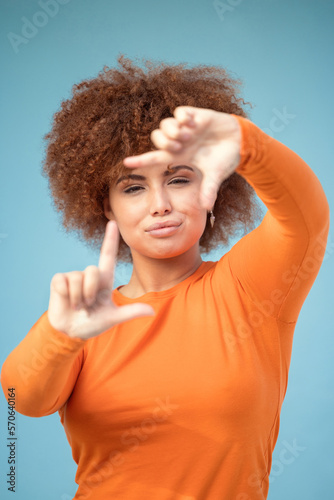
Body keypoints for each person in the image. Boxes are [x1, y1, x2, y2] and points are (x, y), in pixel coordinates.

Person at [1, 56, 330, 500]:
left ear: (213, 188)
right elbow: (22, 400)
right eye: (133, 187)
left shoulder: (250, 288)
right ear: (105, 206)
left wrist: (247, 144)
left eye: (178, 179)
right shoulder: (88, 318)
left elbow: (306, 218)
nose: (160, 204)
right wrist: (60, 336)